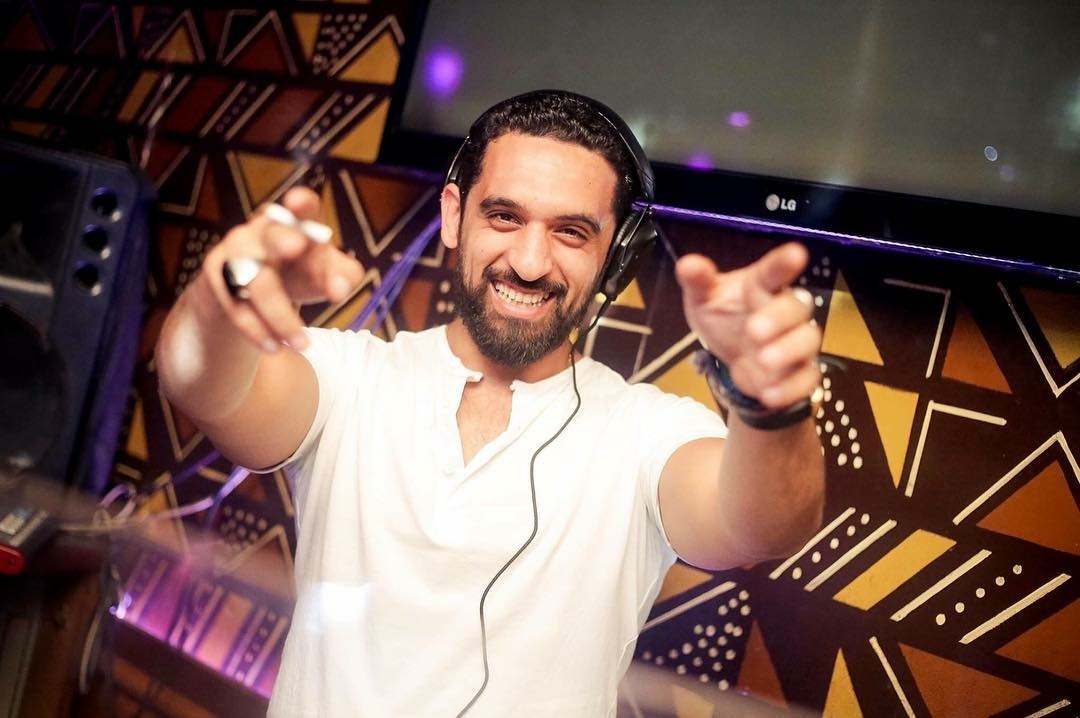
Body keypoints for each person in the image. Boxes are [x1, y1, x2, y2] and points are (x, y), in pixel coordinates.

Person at [155, 90, 825, 717]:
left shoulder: (646, 431)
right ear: (454, 215)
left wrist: (769, 406)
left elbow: (761, 527)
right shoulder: (349, 379)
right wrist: (222, 296)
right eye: (504, 217)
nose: (529, 263)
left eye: (571, 232)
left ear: (616, 258)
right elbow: (197, 383)